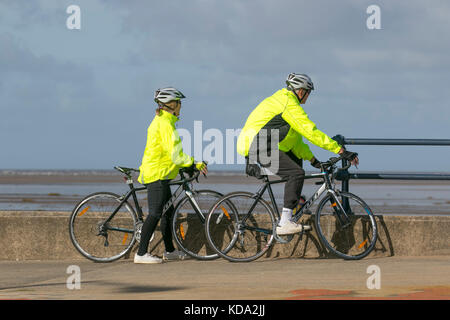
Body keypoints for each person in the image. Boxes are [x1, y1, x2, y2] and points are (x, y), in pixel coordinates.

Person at [237, 73, 358, 235]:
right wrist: (340, 150)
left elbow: (295, 141)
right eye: (309, 92)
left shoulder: (285, 102)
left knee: (296, 168)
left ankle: (290, 213)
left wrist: (314, 160)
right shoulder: (289, 104)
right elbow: (310, 131)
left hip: (260, 144)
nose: (309, 95)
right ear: (301, 91)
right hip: (258, 146)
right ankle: (285, 222)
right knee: (296, 173)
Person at [134, 87, 208, 264]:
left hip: (163, 173)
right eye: (179, 102)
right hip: (157, 174)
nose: (181, 105)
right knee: (155, 213)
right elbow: (176, 154)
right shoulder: (165, 124)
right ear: (171, 104)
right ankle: (141, 253)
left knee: (168, 213)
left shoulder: (164, 121)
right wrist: (193, 162)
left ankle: (169, 251)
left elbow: (170, 154)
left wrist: (185, 165)